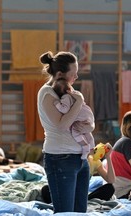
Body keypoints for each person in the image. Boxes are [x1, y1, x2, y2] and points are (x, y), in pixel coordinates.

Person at [37, 51, 93, 213]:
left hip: (80, 159)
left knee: (80, 211)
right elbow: (62, 125)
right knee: (65, 212)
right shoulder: (47, 93)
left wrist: (89, 127)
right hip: (60, 159)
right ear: (60, 74)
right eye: (73, 74)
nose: (76, 78)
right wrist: (80, 100)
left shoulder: (67, 91)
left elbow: (84, 118)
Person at [42, 142, 116, 203]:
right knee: (46, 189)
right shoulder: (69, 158)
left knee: (109, 188)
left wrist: (108, 157)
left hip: (82, 195)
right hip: (66, 193)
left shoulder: (93, 160)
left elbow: (111, 180)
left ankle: (82, 201)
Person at [52, 77, 95, 159]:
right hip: (88, 113)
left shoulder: (66, 97)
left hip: (81, 116)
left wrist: (57, 104)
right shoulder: (77, 93)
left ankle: (85, 146)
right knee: (86, 131)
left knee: (76, 131)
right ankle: (92, 146)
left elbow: (65, 109)